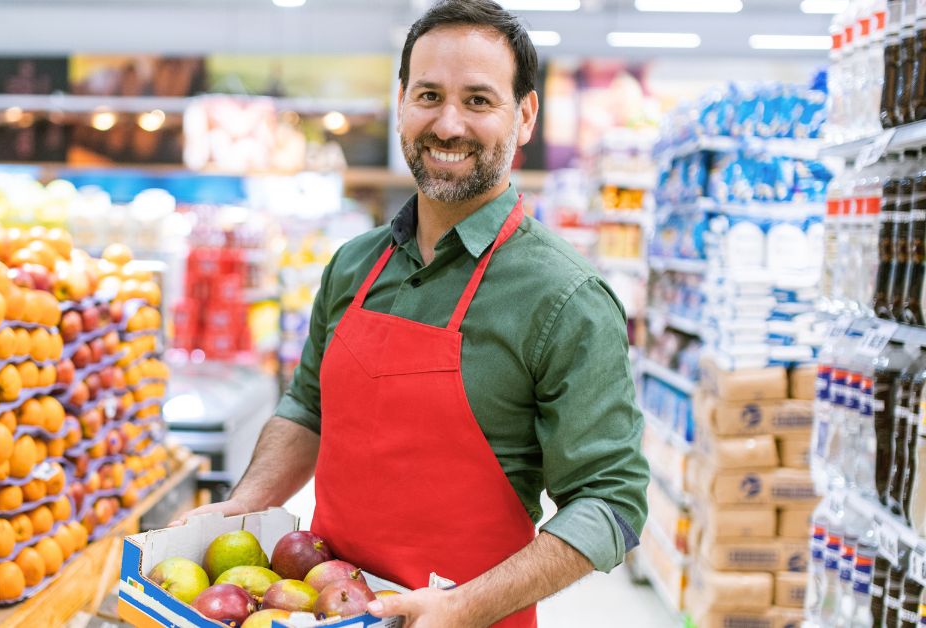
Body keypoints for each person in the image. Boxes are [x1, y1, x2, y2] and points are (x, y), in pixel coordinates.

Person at [171, 1, 649, 625]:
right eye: (429, 95)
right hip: (323, 607)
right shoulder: (353, 265)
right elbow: (308, 407)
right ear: (401, 102)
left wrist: (463, 604)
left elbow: (611, 500)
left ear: (525, 115)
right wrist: (245, 504)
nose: (448, 124)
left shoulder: (565, 299)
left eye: (479, 100)